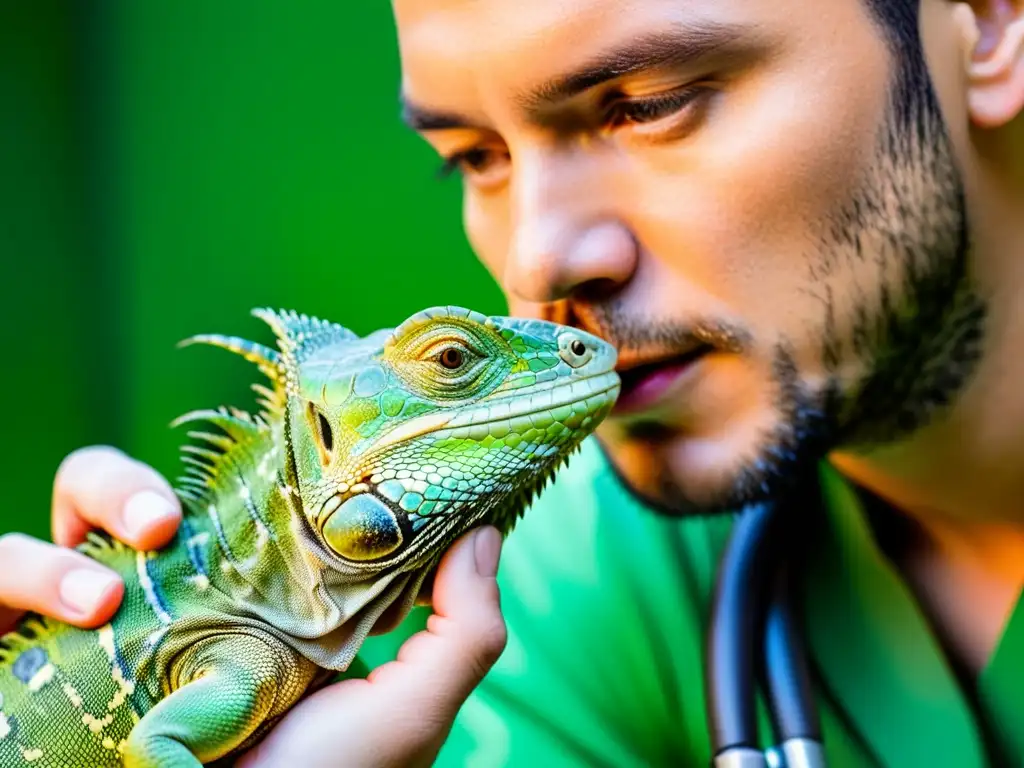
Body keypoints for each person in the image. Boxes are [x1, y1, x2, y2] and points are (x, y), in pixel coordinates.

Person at [2, 0, 1023, 764]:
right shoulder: (560, 586)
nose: (537, 261)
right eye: (472, 157)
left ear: (982, 21)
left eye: (648, 106)